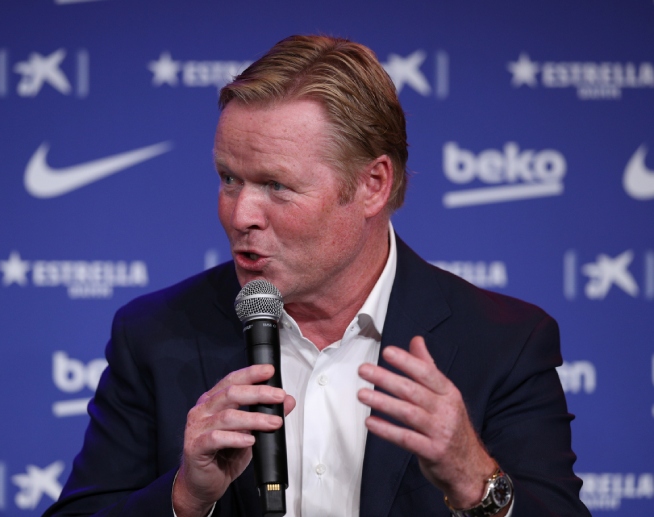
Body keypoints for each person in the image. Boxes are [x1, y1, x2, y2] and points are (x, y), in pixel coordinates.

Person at [44, 35, 590, 517]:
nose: (240, 214)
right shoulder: (155, 334)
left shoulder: (504, 342)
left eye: (276, 186)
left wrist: (475, 480)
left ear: (373, 185)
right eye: (229, 179)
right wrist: (185, 498)